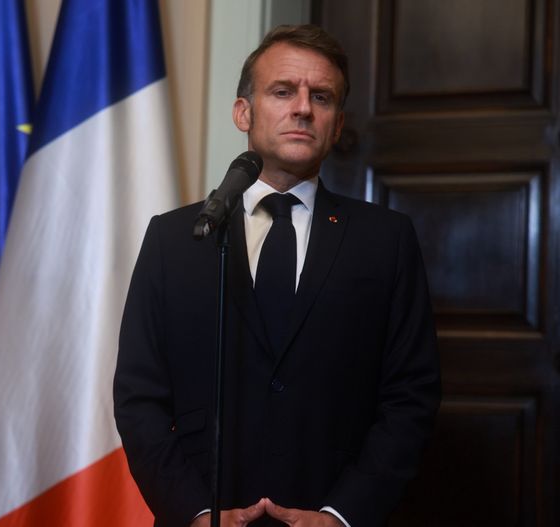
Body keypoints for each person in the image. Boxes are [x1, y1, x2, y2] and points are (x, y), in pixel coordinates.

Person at [114, 25, 440, 527]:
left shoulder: (387, 240)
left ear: (336, 124)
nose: (303, 108)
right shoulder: (174, 238)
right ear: (243, 111)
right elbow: (139, 398)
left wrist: (341, 514)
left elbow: (410, 397)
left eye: (322, 97)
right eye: (283, 91)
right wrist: (195, 511)